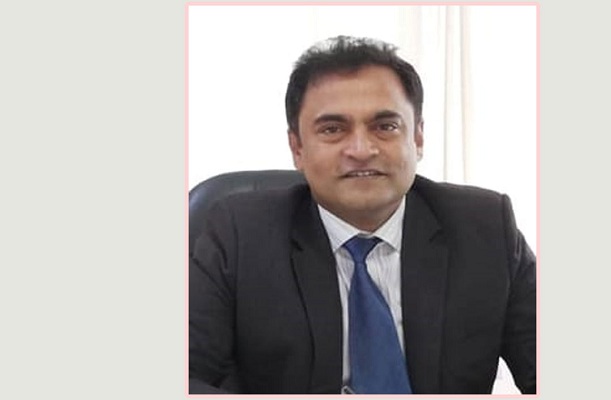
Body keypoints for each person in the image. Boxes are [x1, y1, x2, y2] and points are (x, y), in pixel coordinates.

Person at [189, 35, 536, 394]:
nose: (361, 149)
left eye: (385, 126)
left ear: (417, 138)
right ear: (297, 148)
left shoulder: (486, 229)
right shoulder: (240, 235)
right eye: (332, 130)